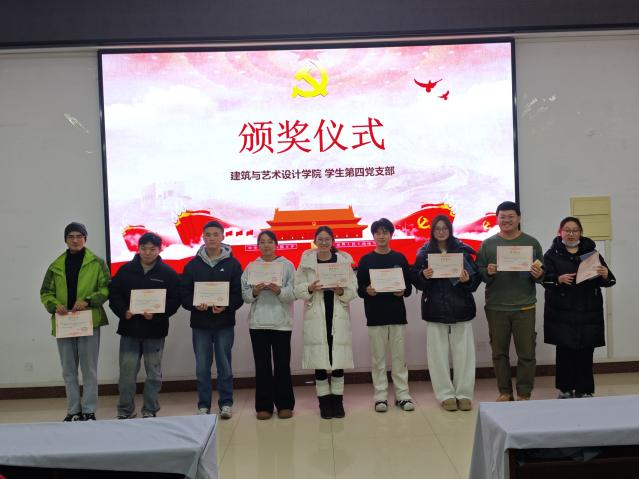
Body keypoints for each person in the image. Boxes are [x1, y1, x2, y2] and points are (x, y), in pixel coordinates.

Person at [40, 222, 110, 421]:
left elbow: (106, 289)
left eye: (79, 236)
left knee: (89, 370)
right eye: (71, 236)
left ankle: (88, 410)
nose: (75, 240)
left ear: (85, 238)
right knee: (68, 371)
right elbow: (45, 292)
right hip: (64, 323)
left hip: (88, 321)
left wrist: (88, 301)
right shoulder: (55, 266)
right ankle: (73, 411)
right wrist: (55, 305)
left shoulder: (97, 263)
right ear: (65, 240)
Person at [108, 232, 181, 419]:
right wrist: (124, 311)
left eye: (152, 249)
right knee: (127, 375)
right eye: (144, 248)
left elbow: (175, 300)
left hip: (155, 331)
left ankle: (150, 410)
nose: (147, 252)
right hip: (129, 330)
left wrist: (157, 315)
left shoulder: (168, 273)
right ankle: (125, 411)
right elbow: (114, 294)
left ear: (159, 250)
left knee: (154, 375)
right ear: (138, 249)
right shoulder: (125, 270)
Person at [476, 201, 544, 401]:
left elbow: (541, 271)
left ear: (519, 218)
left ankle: (524, 393)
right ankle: (505, 391)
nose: (506, 220)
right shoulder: (488, 244)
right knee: (499, 353)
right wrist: (488, 271)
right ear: (497, 219)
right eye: (502, 217)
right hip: (496, 306)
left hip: (525, 306)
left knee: (527, 353)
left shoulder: (531, 243)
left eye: (510, 216)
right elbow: (479, 271)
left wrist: (539, 274)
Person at [412, 215, 481, 411]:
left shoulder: (462, 250)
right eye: (437, 228)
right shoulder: (424, 252)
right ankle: (445, 395)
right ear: (432, 231)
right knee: (437, 355)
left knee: (464, 354)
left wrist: (468, 280)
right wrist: (423, 275)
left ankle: (464, 394)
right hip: (435, 308)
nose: (441, 232)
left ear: (450, 230)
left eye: (444, 228)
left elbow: (475, 282)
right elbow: (416, 280)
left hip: (461, 307)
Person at [542, 216, 616, 398]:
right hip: (561, 312)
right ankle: (565, 389)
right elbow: (544, 280)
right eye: (567, 230)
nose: (571, 234)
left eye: (575, 230)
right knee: (564, 352)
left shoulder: (592, 253)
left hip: (588, 311)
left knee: (585, 352)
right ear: (560, 232)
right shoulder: (551, 254)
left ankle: (585, 389)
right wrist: (558, 279)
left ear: (581, 233)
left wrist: (605, 274)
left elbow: (609, 280)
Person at [180, 220, 243, 419]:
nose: (212, 238)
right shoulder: (192, 265)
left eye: (216, 234)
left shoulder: (233, 264)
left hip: (224, 323)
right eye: (208, 235)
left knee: (225, 366)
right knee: (202, 367)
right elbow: (184, 294)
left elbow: (238, 294)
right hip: (200, 324)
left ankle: (226, 403)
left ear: (223, 237)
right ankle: (203, 405)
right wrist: (194, 304)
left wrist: (227, 305)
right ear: (203, 238)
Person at [294, 226, 357, 419]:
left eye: (327, 239)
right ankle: (324, 403)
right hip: (316, 314)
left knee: (338, 360)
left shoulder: (343, 261)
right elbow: (297, 289)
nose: (323, 243)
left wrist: (341, 291)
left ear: (332, 241)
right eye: (320, 239)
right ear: (315, 241)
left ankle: (338, 402)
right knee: (320, 361)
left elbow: (353, 288)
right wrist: (310, 288)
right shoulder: (306, 263)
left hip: (337, 313)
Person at [356, 218, 414, 413]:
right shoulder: (365, 260)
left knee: (399, 358)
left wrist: (403, 291)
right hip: (375, 316)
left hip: (397, 315)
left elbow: (408, 287)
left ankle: (402, 395)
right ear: (373, 236)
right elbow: (359, 289)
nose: (381, 236)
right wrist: (367, 290)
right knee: (378, 360)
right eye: (378, 233)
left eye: (385, 232)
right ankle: (380, 397)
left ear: (391, 235)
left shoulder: (400, 258)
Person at [241, 231, 296, 420]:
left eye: (270, 242)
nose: (266, 245)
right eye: (262, 242)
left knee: (282, 366)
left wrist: (279, 290)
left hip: (281, 323)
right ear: (258, 246)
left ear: (276, 245)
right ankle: (264, 406)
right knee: (262, 366)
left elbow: (294, 293)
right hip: (258, 324)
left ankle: (285, 405)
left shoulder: (287, 265)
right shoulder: (251, 267)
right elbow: (245, 295)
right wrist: (254, 292)